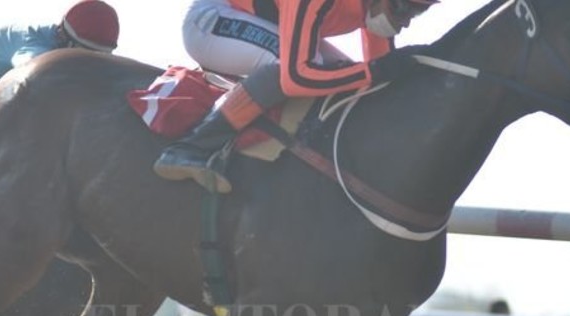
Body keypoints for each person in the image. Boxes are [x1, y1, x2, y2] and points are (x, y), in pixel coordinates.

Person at [154, 0, 439, 193]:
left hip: (257, 21)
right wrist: (374, 74)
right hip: (212, 21)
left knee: (348, 77)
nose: (406, 21)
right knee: (311, 65)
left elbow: (379, 75)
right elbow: (297, 76)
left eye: (417, 11)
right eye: (403, 7)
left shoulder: (372, 5)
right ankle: (192, 147)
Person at [0, 0, 120, 115]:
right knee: (5, 108)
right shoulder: (36, 45)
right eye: (87, 54)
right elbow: (30, 76)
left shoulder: (60, 41)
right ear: (64, 38)